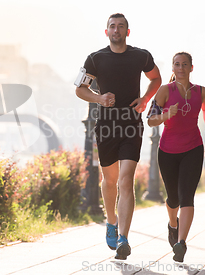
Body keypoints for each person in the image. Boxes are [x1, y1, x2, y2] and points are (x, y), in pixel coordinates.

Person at [75, 13, 161, 260]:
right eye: (112, 26)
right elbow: (80, 89)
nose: (116, 30)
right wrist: (99, 98)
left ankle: (123, 237)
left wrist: (145, 99)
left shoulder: (140, 56)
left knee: (126, 181)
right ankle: (111, 221)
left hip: (132, 125)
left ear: (127, 31)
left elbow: (156, 78)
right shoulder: (95, 59)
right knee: (109, 180)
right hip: (106, 127)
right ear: (106, 32)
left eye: (120, 26)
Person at [147, 52, 205, 263]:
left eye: (185, 64)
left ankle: (181, 243)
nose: (181, 68)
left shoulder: (201, 91)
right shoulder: (165, 91)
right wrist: (167, 115)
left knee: (187, 196)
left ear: (191, 68)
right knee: (173, 198)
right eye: (177, 64)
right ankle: (172, 225)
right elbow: (150, 119)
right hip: (167, 150)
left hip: (193, 148)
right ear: (173, 68)